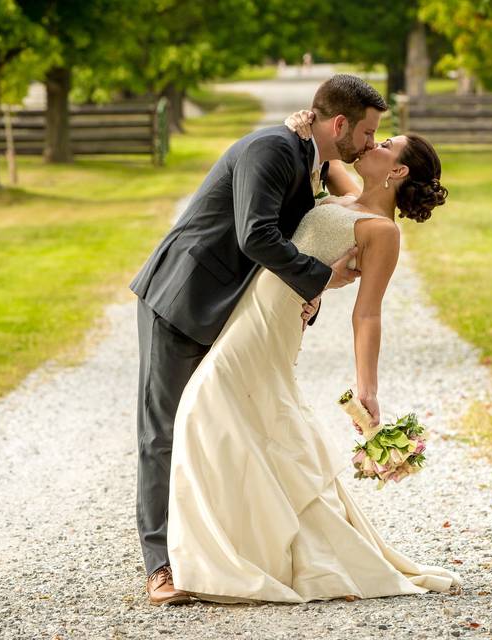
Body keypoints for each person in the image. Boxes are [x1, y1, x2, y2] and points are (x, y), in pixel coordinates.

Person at [165, 111, 461, 603]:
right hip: (251, 307)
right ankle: (243, 548)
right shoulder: (347, 191)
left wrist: (368, 389)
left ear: (399, 171)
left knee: (201, 406)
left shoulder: (381, 232)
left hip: (273, 323)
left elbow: (368, 315)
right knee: (236, 419)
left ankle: (231, 556)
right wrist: (297, 125)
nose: (374, 143)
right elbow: (322, 155)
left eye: (386, 142)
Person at [129, 74, 388, 605]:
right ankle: (161, 566)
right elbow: (254, 234)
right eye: (367, 133)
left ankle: (213, 552)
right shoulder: (272, 149)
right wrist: (319, 278)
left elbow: (336, 213)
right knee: (164, 432)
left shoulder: (310, 160)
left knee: (217, 431)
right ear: (338, 124)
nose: (368, 144)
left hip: (231, 310)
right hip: (183, 298)